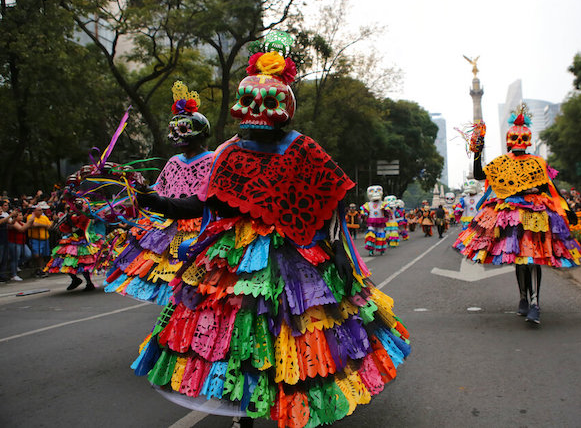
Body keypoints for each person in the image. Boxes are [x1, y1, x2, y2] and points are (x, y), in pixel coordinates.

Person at [131, 31, 410, 426]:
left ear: (285, 106)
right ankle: (243, 409)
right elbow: (201, 203)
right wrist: (155, 201)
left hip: (295, 254)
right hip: (236, 256)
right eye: (250, 100)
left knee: (293, 334)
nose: (257, 109)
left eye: (267, 100)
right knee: (239, 332)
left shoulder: (303, 149)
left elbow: (333, 197)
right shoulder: (228, 153)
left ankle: (291, 402)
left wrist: (334, 248)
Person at [454, 105, 581, 325]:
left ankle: (535, 303)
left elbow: (550, 187)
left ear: (529, 139)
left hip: (537, 214)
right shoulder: (502, 162)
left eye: (522, 136)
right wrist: (477, 152)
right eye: (514, 136)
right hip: (511, 214)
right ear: (509, 139)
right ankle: (523, 297)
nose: (518, 140)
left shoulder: (538, 162)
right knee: (521, 260)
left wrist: (566, 209)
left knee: (532, 260)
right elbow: (478, 175)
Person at [104, 81, 214, 305]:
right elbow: (160, 189)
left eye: (183, 130)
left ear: (200, 133)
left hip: (201, 227)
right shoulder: (173, 161)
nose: (176, 136)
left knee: (201, 282)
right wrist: (140, 188)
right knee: (172, 280)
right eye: (173, 131)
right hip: (171, 228)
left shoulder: (213, 159)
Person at [361, 185, 390, 255]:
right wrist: (363, 214)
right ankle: (370, 250)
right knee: (370, 235)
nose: (376, 192)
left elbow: (388, 212)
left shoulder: (383, 204)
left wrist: (386, 210)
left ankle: (381, 249)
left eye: (378, 190)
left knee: (381, 235)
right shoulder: (368, 204)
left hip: (380, 222)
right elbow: (364, 212)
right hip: (371, 222)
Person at [27, 201, 53, 277]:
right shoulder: (30, 216)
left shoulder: (44, 217)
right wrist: (44, 226)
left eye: (41, 210)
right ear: (34, 211)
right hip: (35, 239)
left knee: (43, 255)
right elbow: (34, 224)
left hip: (45, 239)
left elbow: (50, 226)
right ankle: (39, 268)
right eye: (39, 210)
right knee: (37, 254)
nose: (41, 211)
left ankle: (42, 269)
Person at [7, 209, 34, 281]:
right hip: (14, 242)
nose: (21, 216)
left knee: (28, 255)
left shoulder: (21, 222)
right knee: (15, 258)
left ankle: (16, 265)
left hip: (22, 242)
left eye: (21, 215)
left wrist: (31, 221)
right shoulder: (13, 223)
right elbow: (21, 229)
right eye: (19, 215)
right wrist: (29, 221)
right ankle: (13, 274)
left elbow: (28, 226)